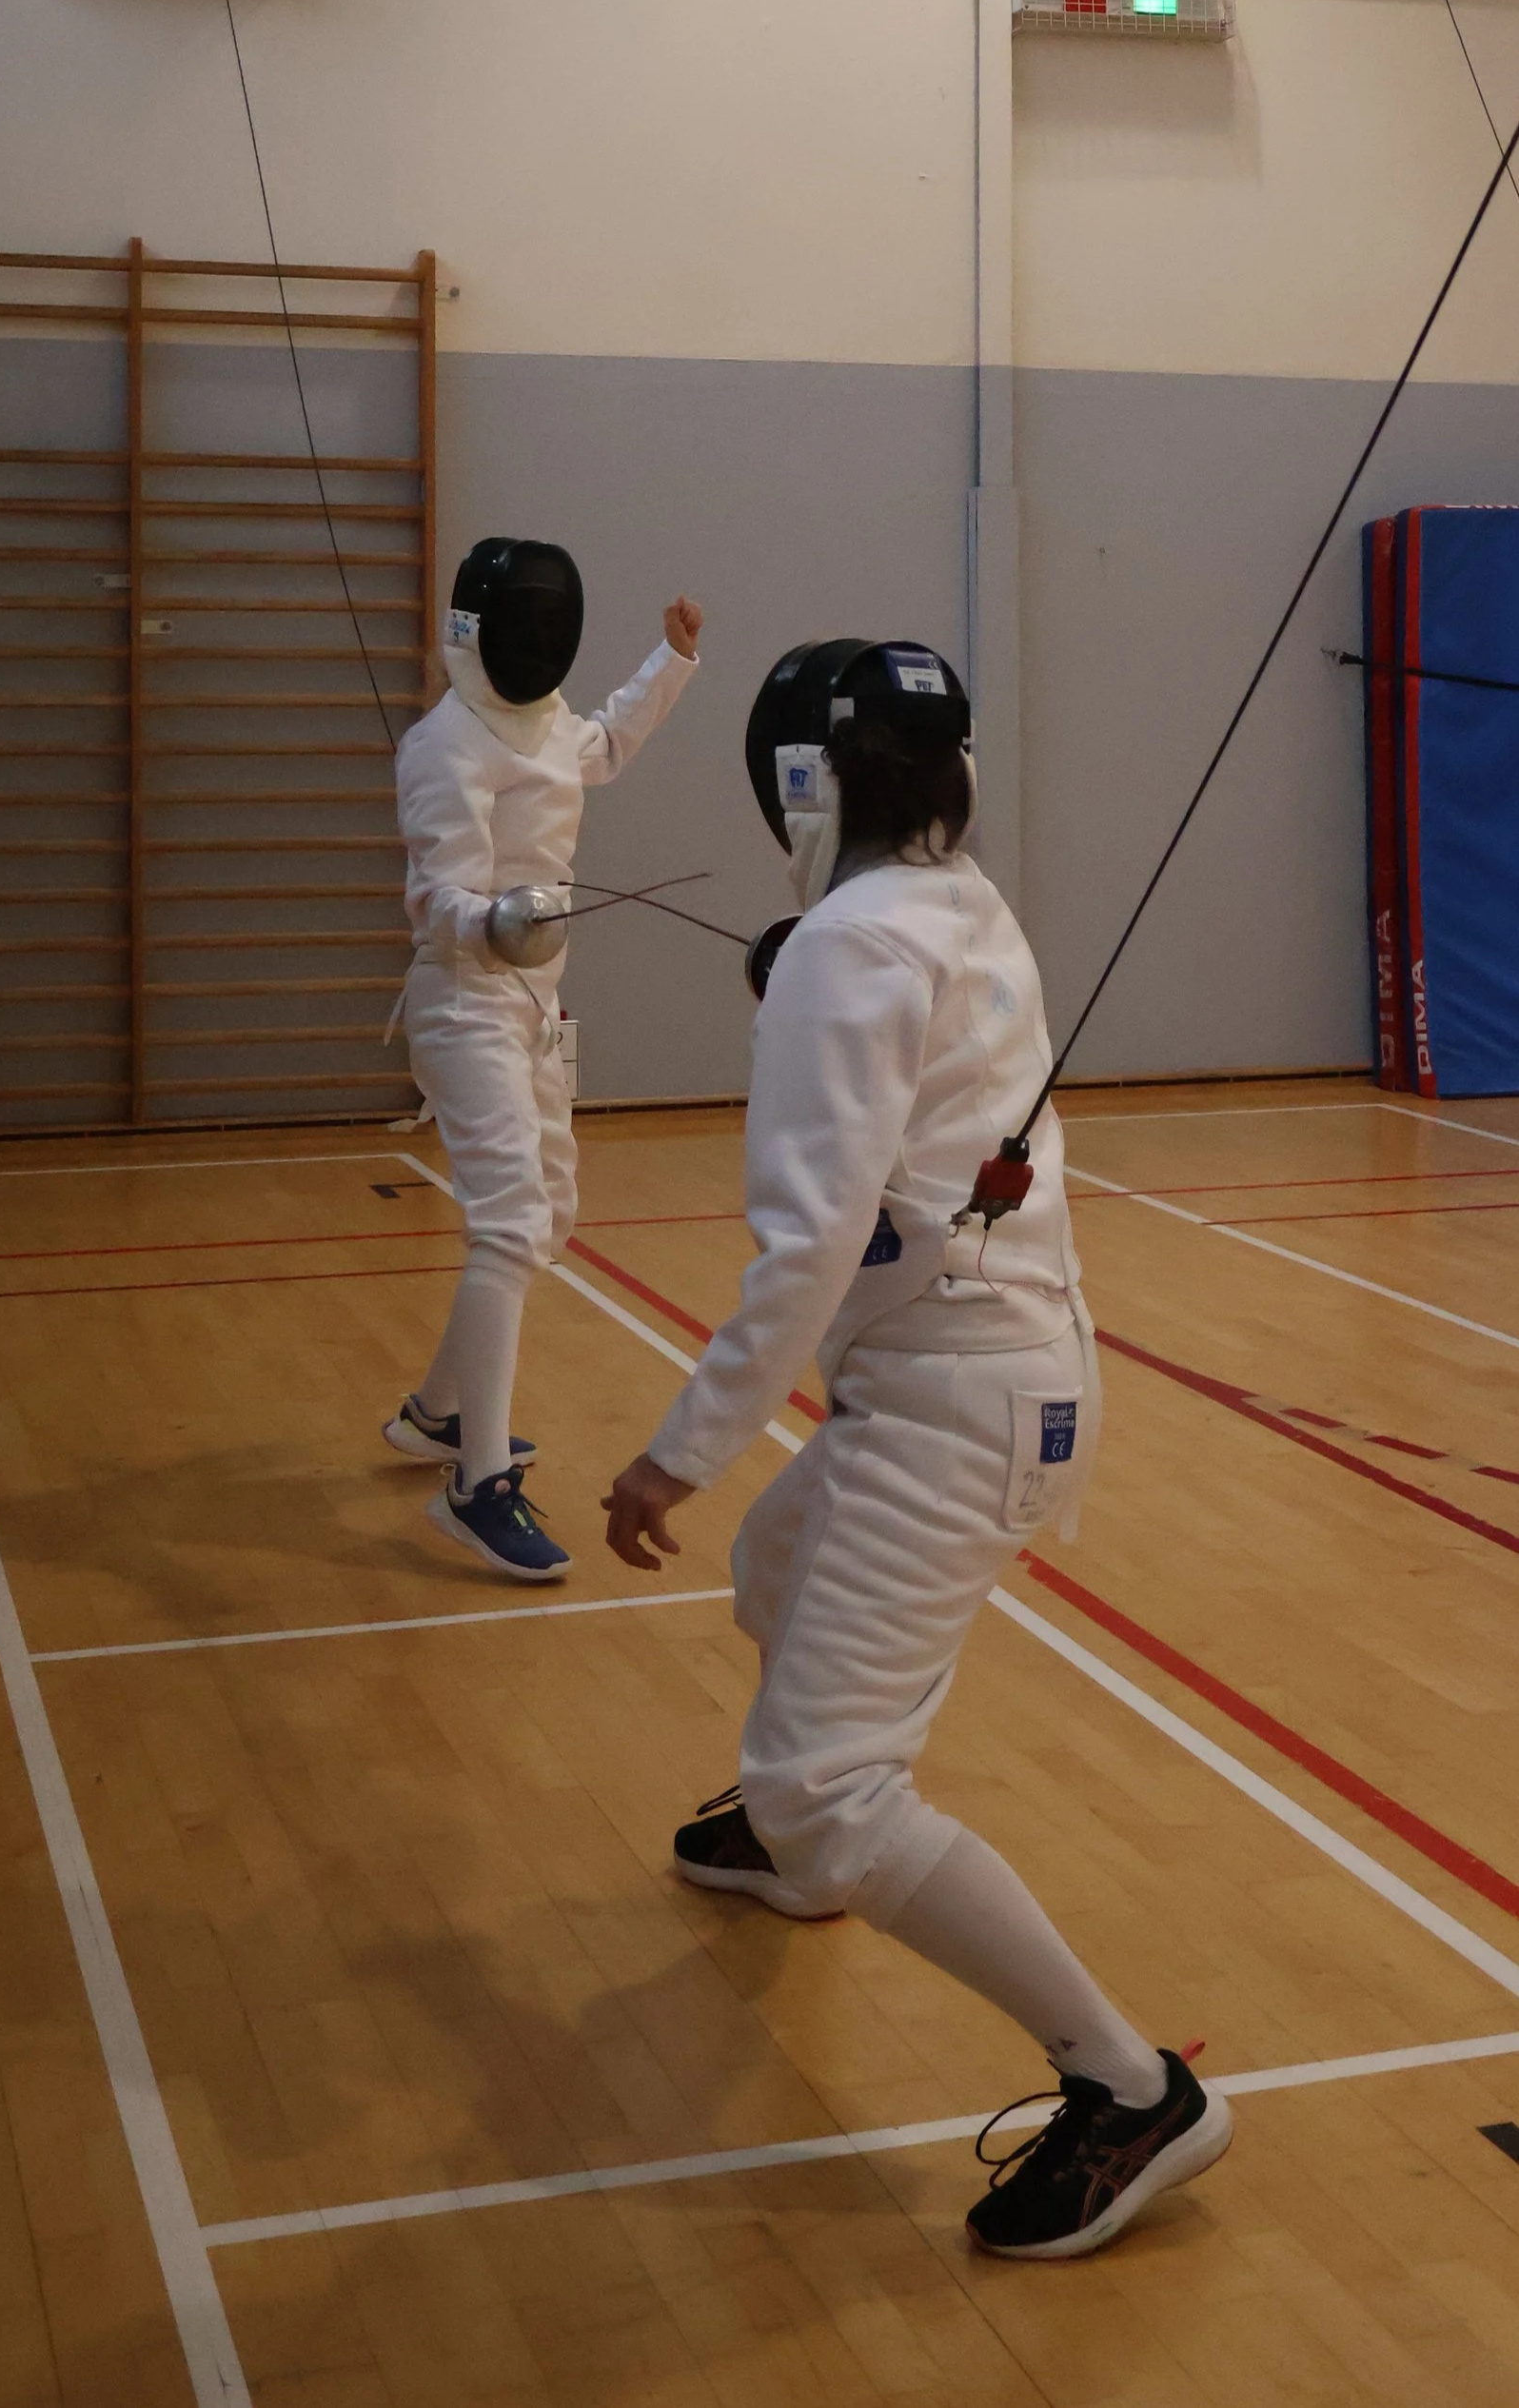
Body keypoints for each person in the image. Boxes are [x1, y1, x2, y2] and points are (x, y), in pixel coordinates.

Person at [602, 637, 1232, 2260]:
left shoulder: (847, 946)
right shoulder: (955, 902)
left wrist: (673, 1451)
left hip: (953, 1396)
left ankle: (1125, 2085)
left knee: (822, 1780)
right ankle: (794, 1839)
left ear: (795, 783)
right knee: (776, 1562)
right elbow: (907, 1035)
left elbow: (805, 1244)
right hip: (993, 1366)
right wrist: (806, 958)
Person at [386, 536, 703, 1582]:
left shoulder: (542, 721)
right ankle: (475, 1483)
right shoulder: (444, 745)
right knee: (508, 1220)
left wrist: (668, 661)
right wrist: (502, 917)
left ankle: (438, 1413)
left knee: (548, 1216)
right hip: (463, 1001)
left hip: (532, 1001)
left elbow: (601, 746)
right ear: (486, 633)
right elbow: (436, 901)